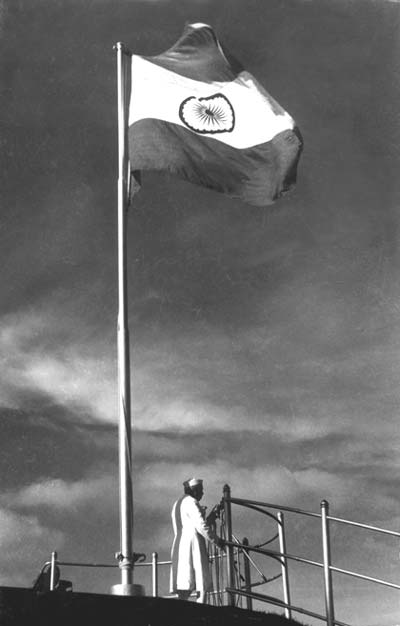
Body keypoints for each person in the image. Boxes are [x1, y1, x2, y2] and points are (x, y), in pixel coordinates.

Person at [170, 478, 224, 603]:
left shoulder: (177, 504)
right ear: (194, 491)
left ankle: (183, 608)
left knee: (184, 581)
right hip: (194, 543)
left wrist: (212, 515)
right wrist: (217, 541)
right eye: (201, 490)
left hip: (180, 544)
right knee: (201, 578)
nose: (202, 493)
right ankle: (201, 605)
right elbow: (202, 526)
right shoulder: (192, 502)